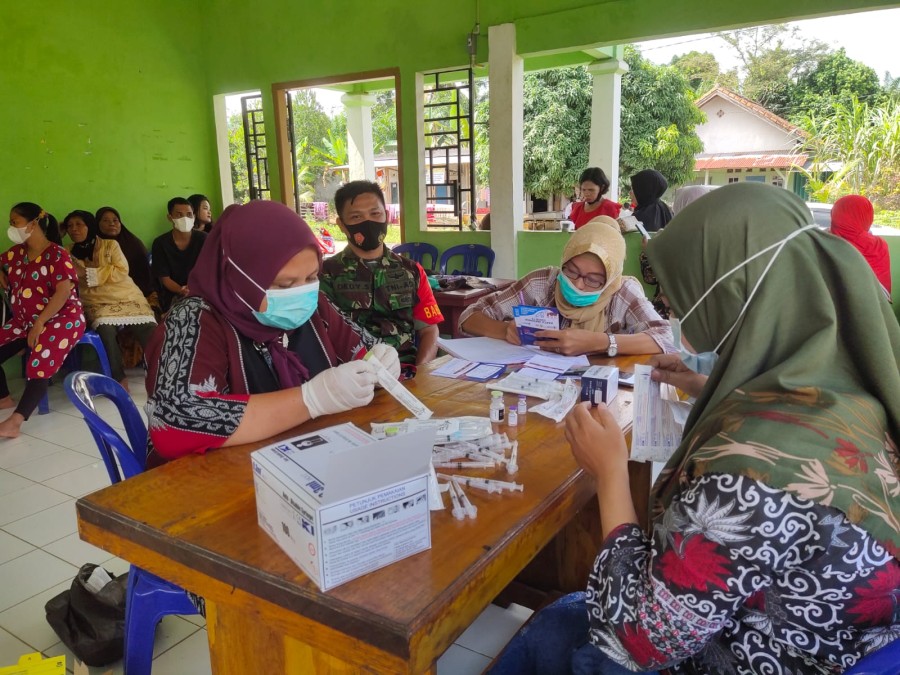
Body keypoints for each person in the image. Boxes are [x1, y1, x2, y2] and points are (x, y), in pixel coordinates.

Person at [489, 183, 900, 674]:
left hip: (753, 653)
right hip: (802, 626)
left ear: (730, 295)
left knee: (574, 641)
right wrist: (708, 386)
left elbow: (638, 638)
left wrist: (610, 473)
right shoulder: (853, 385)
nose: (675, 309)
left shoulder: (750, 477)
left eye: (681, 293)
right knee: (557, 621)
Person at [145, 200, 400, 466]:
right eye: (284, 284)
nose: (301, 292)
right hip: (219, 480)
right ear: (239, 276)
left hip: (313, 461)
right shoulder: (193, 320)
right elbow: (175, 423)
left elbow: (362, 350)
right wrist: (311, 399)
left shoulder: (313, 307)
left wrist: (378, 363)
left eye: (312, 277)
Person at [459, 217, 673, 356]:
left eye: (593, 280)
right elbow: (469, 316)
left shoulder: (622, 293)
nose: (578, 284)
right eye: (571, 270)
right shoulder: (542, 283)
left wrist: (600, 342)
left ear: (610, 280)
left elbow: (666, 338)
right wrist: (505, 330)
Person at [319, 180, 444, 371]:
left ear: (386, 215)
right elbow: (320, 336)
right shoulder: (325, 274)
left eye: (375, 214)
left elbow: (429, 329)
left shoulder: (411, 271)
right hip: (351, 376)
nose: (368, 222)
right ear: (342, 225)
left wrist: (421, 375)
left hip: (406, 372)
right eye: (356, 217)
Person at [0, 203, 86, 439]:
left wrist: (40, 324)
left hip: (62, 318)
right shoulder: (17, 253)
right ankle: (4, 399)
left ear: (34, 224)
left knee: (40, 356)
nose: (12, 227)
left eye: (15, 221)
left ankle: (15, 422)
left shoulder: (57, 254)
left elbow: (63, 293)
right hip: (24, 321)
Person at [63, 210, 156, 390]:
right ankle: (118, 378)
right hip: (95, 301)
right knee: (105, 330)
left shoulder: (110, 245)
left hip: (126, 295)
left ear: (90, 226)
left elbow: (122, 270)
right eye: (69, 226)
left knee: (149, 328)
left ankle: (160, 373)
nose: (74, 229)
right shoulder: (66, 251)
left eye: (79, 224)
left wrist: (87, 272)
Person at [640, 185, 717, 319]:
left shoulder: (669, 237)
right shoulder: (718, 238)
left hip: (668, 314)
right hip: (705, 318)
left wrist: (649, 253)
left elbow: (651, 278)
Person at [831, 194, 892, 302]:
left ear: (835, 214)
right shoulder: (878, 245)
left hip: (829, 311)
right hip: (873, 310)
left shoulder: (823, 241)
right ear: (867, 216)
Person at [151, 197, 207, 314]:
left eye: (189, 214)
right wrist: (181, 290)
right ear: (170, 217)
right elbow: (165, 278)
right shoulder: (160, 243)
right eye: (179, 215)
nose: (185, 218)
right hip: (173, 293)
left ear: (194, 217)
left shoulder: (204, 239)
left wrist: (198, 288)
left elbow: (210, 270)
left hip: (202, 290)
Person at [95, 206, 155, 300]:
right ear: (97, 224)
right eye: (105, 220)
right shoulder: (94, 246)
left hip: (137, 293)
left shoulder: (133, 244)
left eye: (115, 220)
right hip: (102, 295)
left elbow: (145, 278)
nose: (111, 224)